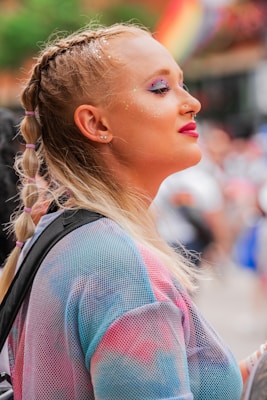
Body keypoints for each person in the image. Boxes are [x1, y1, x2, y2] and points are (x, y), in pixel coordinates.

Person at [0, 22, 265, 399]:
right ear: (96, 123)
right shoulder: (119, 265)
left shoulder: (62, 232)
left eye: (182, 84)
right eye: (160, 89)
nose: (192, 103)